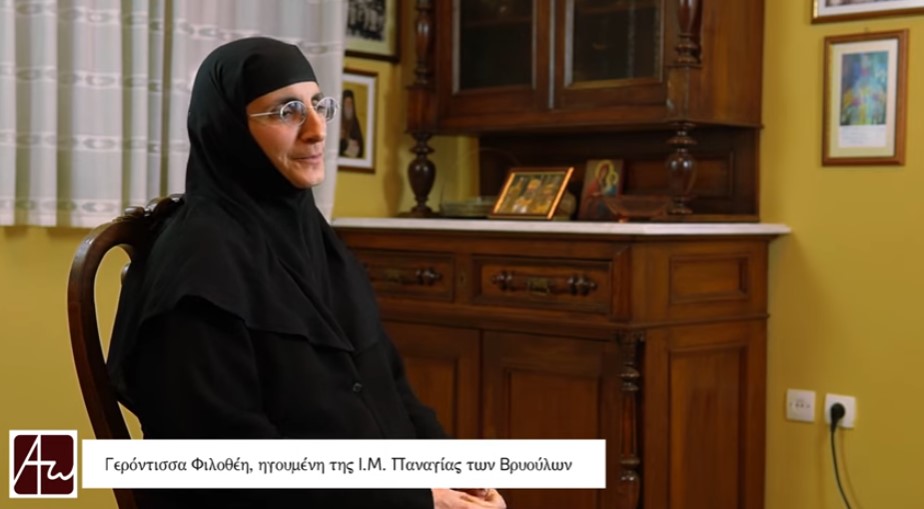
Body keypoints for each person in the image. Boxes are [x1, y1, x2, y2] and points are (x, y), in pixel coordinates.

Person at [107, 37, 506, 509]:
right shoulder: (198, 269)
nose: (317, 131)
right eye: (287, 111)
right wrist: (417, 499)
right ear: (229, 129)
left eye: (319, 106)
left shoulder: (314, 240)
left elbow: (390, 388)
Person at [339, 89, 365, 158]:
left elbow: (360, 145)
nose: (348, 105)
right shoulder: (338, 121)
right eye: (346, 102)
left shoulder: (355, 121)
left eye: (350, 103)